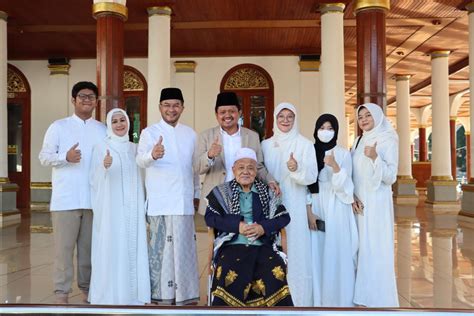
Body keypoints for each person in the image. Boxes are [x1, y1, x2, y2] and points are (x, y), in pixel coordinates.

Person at [39, 81, 106, 304]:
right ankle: (62, 293)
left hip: (93, 200)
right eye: (82, 96)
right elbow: (44, 156)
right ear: (73, 100)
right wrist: (65, 158)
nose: (87, 100)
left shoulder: (102, 129)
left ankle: (88, 290)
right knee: (63, 251)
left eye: (91, 97)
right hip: (65, 200)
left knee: (88, 251)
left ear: (96, 101)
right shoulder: (58, 126)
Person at [205, 147, 293, 307]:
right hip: (231, 245)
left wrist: (262, 227)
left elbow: (283, 217)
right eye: (241, 167)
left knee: (274, 269)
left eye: (250, 168)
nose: (245, 172)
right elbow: (210, 218)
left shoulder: (267, 192)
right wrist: (236, 226)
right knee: (228, 269)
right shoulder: (221, 191)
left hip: (262, 245)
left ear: (256, 171)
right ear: (233, 170)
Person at [136, 87, 199, 305]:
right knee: (160, 254)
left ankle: (186, 296)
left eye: (176, 105)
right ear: (160, 107)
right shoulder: (149, 132)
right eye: (167, 105)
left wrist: (196, 195)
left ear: (182, 107)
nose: (171, 109)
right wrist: (152, 154)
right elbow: (140, 160)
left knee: (183, 253)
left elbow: (193, 167)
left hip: (183, 202)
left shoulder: (190, 134)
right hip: (160, 204)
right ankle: (161, 296)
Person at [88, 108, 150, 305]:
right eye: (114, 121)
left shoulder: (135, 148)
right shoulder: (101, 147)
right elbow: (93, 180)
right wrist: (103, 167)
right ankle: (110, 295)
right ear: (109, 125)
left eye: (122, 120)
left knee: (134, 245)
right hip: (112, 211)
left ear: (128, 122)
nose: (119, 124)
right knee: (114, 246)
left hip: (135, 209)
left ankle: (135, 296)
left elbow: (145, 177)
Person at [261, 102, 318, 306]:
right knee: (272, 250)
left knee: (296, 250)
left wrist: (296, 168)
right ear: (275, 119)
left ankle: (297, 299)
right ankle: (272, 297)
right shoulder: (266, 144)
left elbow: (312, 177)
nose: (285, 121)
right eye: (281, 117)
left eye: (290, 117)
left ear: (295, 119)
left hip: (294, 203)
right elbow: (261, 172)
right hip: (270, 205)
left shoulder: (305, 144)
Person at [194, 91, 279, 216]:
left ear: (239, 113)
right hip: (216, 196)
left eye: (231, 111)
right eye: (222, 112)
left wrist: (271, 181)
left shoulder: (252, 136)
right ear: (216, 115)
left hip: (245, 196)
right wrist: (209, 155)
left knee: (244, 233)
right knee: (217, 235)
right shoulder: (206, 136)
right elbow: (197, 168)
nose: (227, 115)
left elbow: (258, 166)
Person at [351, 103, 399, 307]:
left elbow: (391, 177)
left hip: (377, 203)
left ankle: (379, 297)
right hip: (359, 202)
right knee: (361, 247)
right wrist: (352, 196)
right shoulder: (358, 141)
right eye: (360, 116)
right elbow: (354, 173)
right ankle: (362, 296)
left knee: (376, 247)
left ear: (378, 116)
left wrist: (375, 158)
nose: (363, 119)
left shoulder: (388, 139)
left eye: (368, 115)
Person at [308, 114, 358, 307]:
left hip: (337, 207)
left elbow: (347, 189)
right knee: (318, 252)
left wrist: (336, 167)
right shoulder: (310, 151)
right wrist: (309, 210)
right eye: (322, 127)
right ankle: (319, 300)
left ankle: (339, 300)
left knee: (337, 250)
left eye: (330, 128)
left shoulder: (344, 153)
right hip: (316, 204)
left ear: (336, 131)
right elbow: (306, 185)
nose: (326, 132)